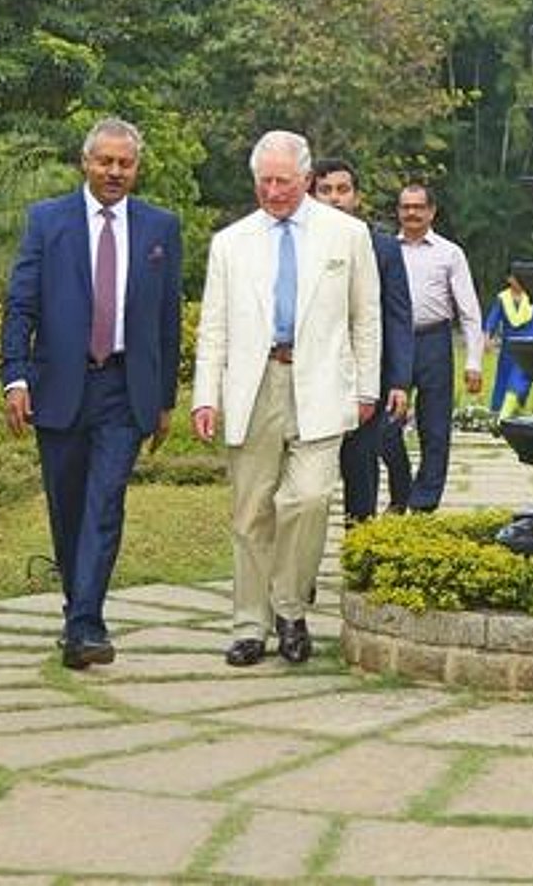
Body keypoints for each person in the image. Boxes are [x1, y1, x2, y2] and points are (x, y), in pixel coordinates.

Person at [192, 131, 381, 667]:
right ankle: (250, 624)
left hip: (320, 384)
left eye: (283, 181)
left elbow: (365, 317)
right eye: (264, 181)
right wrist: (206, 395)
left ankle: (291, 609)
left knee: (311, 499)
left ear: (305, 179)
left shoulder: (347, 235)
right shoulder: (231, 242)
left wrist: (367, 385)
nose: (273, 191)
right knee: (251, 512)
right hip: (254, 385)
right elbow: (214, 327)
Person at [1, 117, 183, 670]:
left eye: (125, 163)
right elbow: (21, 304)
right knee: (69, 508)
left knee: (105, 505)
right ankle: (76, 610)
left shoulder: (160, 228)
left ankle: (87, 626)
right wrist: (16, 376)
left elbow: (167, 317)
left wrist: (165, 398)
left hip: (124, 390)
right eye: (105, 161)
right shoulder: (47, 221)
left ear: (136, 168)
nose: (114, 172)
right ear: (86, 162)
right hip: (59, 385)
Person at [311, 158, 413, 525]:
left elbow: (399, 318)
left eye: (343, 190)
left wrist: (400, 380)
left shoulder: (383, 248)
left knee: (361, 464)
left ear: (356, 196)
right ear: (312, 195)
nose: (335, 198)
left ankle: (360, 543)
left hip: (367, 375)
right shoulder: (301, 243)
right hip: (313, 372)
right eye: (325, 190)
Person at [382, 183, 483, 512]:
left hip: (434, 341)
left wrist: (474, 361)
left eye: (418, 207)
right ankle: (401, 489)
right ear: (398, 211)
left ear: (431, 211)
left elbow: (469, 311)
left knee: (435, 426)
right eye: (405, 207)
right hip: (394, 342)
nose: (411, 213)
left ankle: (424, 500)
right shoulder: (384, 249)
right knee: (385, 424)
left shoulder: (449, 253)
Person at [483, 273, 533, 422]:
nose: (518, 281)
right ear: (508, 279)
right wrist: (487, 337)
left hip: (529, 346)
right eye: (515, 277)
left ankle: (503, 417)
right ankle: (504, 413)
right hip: (509, 348)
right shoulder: (503, 298)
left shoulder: (531, 298)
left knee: (519, 378)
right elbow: (493, 318)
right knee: (504, 380)